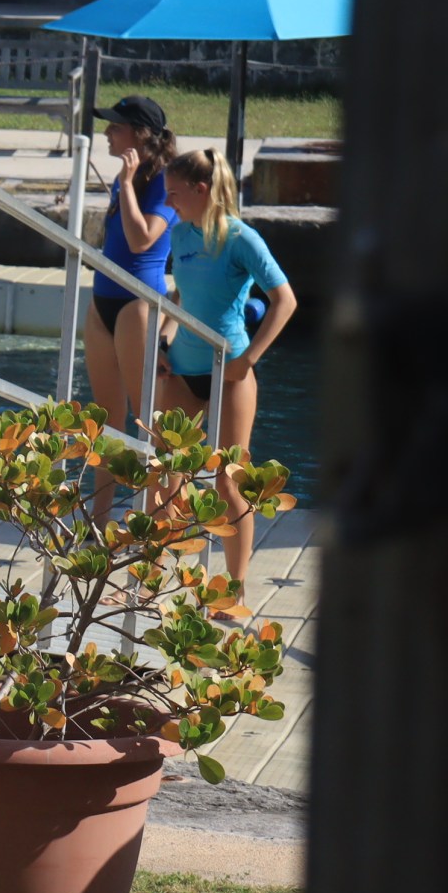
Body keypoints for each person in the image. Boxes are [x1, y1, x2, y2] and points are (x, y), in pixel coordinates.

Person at [154, 148, 296, 610]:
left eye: (174, 193)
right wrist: (164, 337)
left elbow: (284, 300)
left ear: (201, 190)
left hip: (228, 372)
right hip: (181, 369)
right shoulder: (179, 236)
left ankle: (233, 591)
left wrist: (249, 359)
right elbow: (181, 293)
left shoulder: (241, 238)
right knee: (166, 475)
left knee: (228, 482)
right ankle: (158, 579)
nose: (168, 202)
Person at [80, 95, 179, 520]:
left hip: (139, 305)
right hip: (103, 302)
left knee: (149, 425)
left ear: (139, 135)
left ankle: (161, 519)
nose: (106, 133)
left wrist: (125, 184)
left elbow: (143, 241)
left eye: (115, 127)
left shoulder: (163, 182)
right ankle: (100, 520)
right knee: (106, 422)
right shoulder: (134, 178)